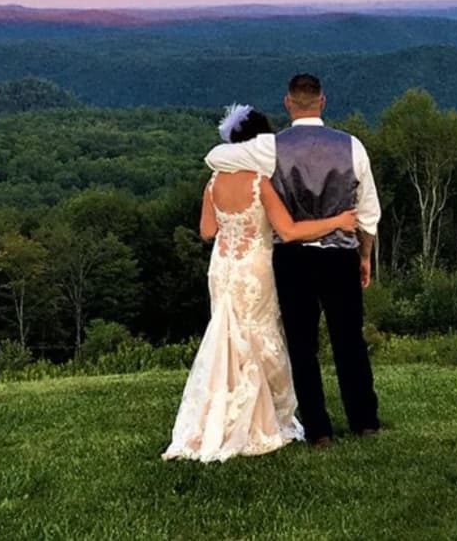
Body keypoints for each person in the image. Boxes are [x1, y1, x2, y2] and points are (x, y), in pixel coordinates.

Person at [162, 104, 358, 463]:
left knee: (227, 335)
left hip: (222, 267)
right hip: (254, 267)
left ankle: (218, 414)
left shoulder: (214, 181)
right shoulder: (259, 182)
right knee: (259, 334)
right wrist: (338, 221)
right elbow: (289, 230)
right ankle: (261, 419)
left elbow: (207, 231)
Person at [206, 74, 382, 449]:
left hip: (294, 258)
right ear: (323, 101)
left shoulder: (272, 148)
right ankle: (365, 421)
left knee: (303, 346)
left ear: (288, 103)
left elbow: (214, 157)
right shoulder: (353, 146)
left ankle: (319, 431)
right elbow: (368, 213)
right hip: (340, 255)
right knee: (349, 339)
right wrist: (364, 255)